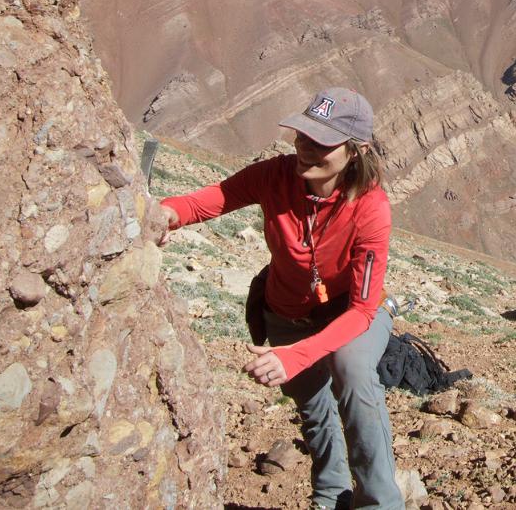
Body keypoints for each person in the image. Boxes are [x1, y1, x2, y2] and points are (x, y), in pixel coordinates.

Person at [160, 87, 404, 510]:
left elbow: (364, 309)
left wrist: (295, 356)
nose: (305, 149)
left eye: (321, 143)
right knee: (312, 406)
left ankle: (380, 503)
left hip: (348, 312)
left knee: (353, 372)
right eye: (303, 135)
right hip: (285, 312)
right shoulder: (275, 175)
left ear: (356, 150)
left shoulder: (370, 207)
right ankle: (330, 496)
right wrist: (167, 212)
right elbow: (218, 197)